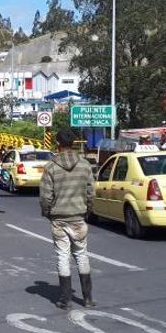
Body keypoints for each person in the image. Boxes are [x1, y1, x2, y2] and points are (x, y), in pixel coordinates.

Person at [39, 129, 96, 310]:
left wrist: (47, 212)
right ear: (73, 144)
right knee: (81, 255)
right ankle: (88, 298)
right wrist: (87, 210)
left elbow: (45, 196)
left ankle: (66, 300)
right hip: (79, 217)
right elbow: (91, 192)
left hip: (59, 218)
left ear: (58, 144)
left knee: (63, 256)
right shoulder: (85, 165)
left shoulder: (51, 167)